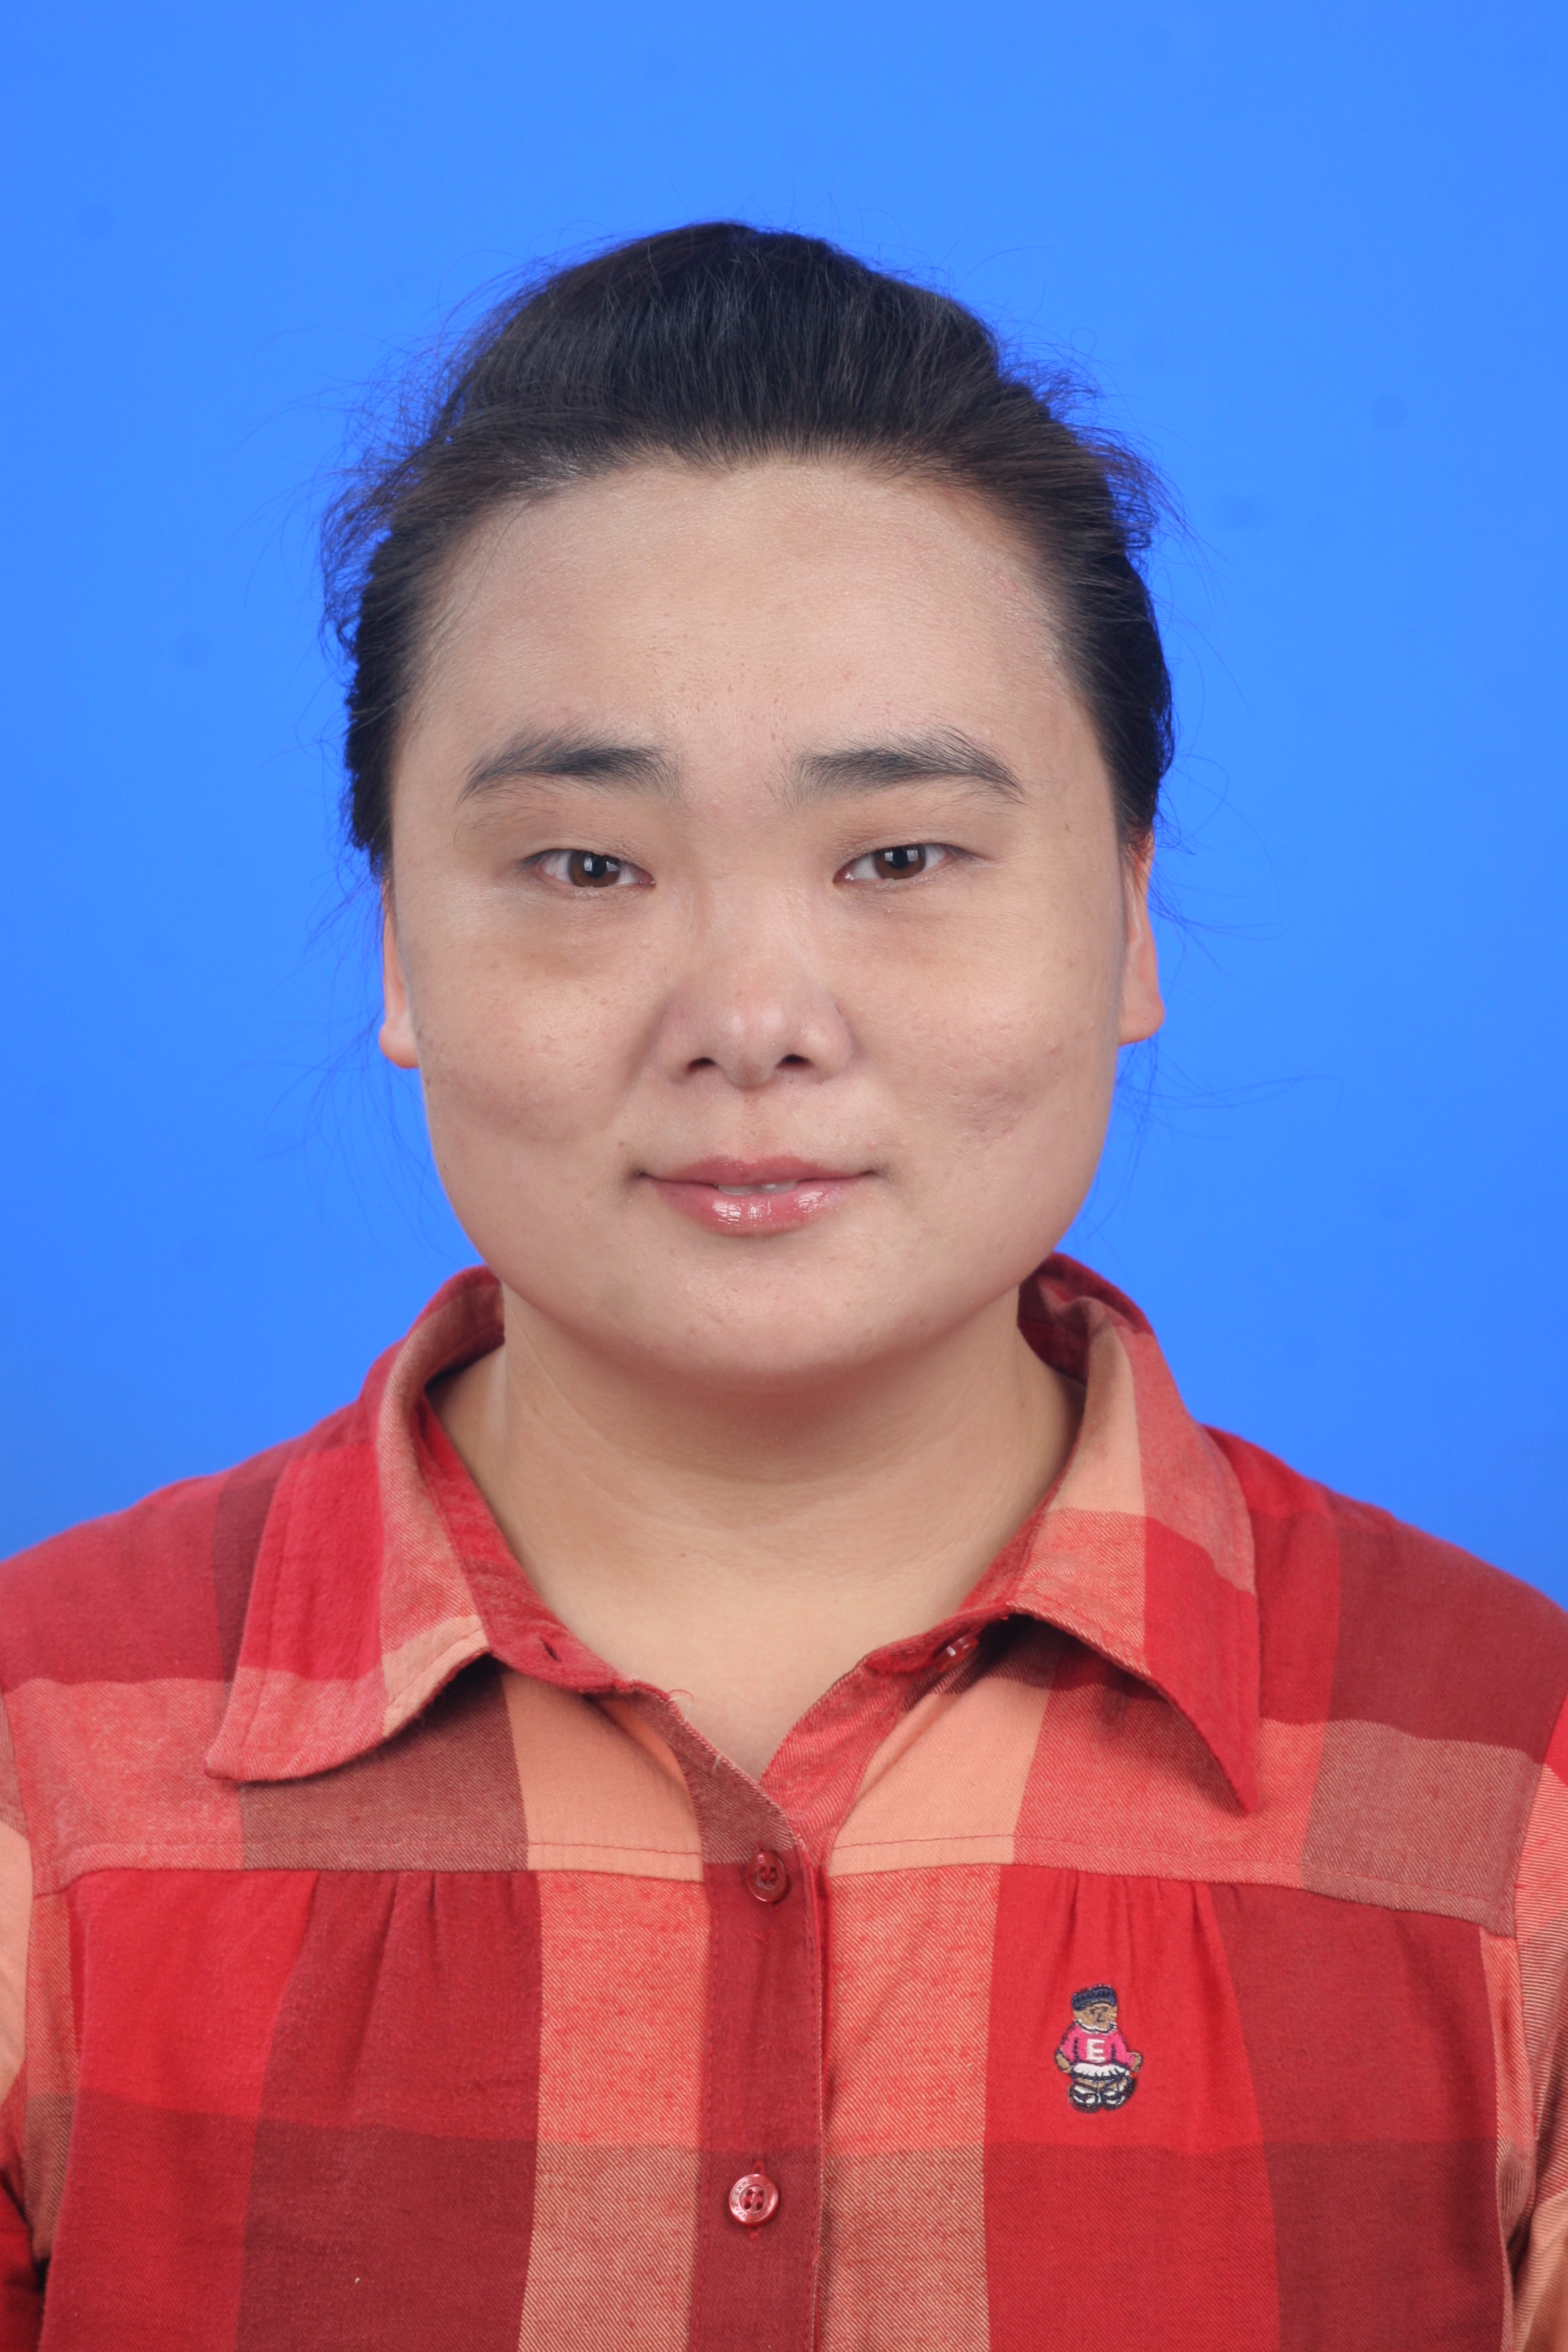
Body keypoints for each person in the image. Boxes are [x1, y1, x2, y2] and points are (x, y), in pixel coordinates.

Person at [0, 222, 1562, 2351]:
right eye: (585, 865)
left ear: (1127, 922)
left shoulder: (1515, 1787)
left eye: (900, 858)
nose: (752, 1020)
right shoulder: (38, 1771)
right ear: (398, 945)